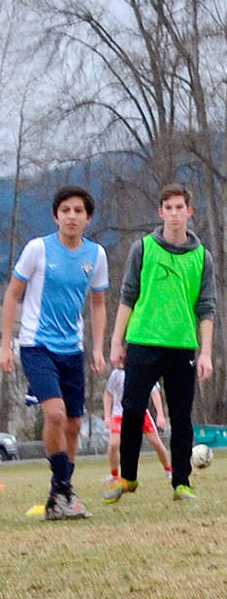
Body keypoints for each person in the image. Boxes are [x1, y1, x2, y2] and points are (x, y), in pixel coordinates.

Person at [0, 186, 108, 520]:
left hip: (72, 349)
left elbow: (99, 303)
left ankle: (59, 495)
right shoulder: (38, 250)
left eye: (78, 211)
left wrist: (98, 348)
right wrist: (6, 345)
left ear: (88, 218)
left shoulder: (96, 255)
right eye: (65, 211)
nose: (71, 216)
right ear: (55, 216)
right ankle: (64, 490)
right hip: (36, 345)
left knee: (74, 424)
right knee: (56, 415)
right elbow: (12, 294)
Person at [105, 183, 215, 503]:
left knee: (181, 416)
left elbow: (206, 307)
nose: (175, 213)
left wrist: (206, 352)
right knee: (133, 409)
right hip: (142, 341)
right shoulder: (143, 249)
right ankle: (127, 478)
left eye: (180, 207)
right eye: (169, 208)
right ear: (160, 212)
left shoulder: (202, 257)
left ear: (189, 212)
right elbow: (127, 296)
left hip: (182, 345)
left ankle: (181, 482)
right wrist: (116, 342)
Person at [102, 369, 170, 483]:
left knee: (156, 442)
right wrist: (107, 415)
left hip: (140, 412)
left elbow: (155, 392)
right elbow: (108, 394)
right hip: (119, 414)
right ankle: (114, 475)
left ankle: (169, 470)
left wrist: (160, 414)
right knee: (114, 444)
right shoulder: (116, 374)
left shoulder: (143, 369)